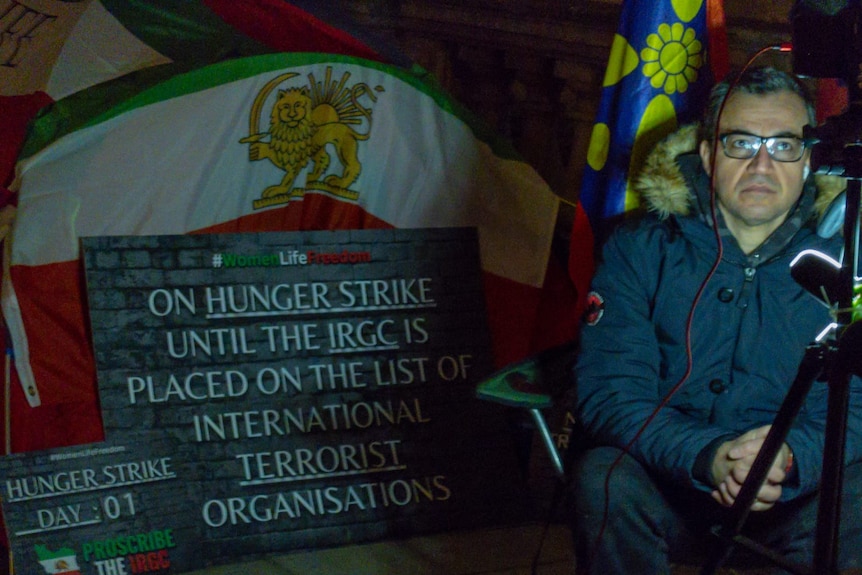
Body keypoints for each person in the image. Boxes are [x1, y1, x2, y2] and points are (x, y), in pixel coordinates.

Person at [569, 66, 862, 573]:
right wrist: (709, 455)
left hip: (794, 495)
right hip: (670, 485)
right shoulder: (640, 247)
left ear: (809, 159)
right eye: (742, 144)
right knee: (603, 474)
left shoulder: (849, 258)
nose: (763, 167)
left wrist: (789, 456)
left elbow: (858, 403)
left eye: (784, 146)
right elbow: (611, 391)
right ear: (707, 154)